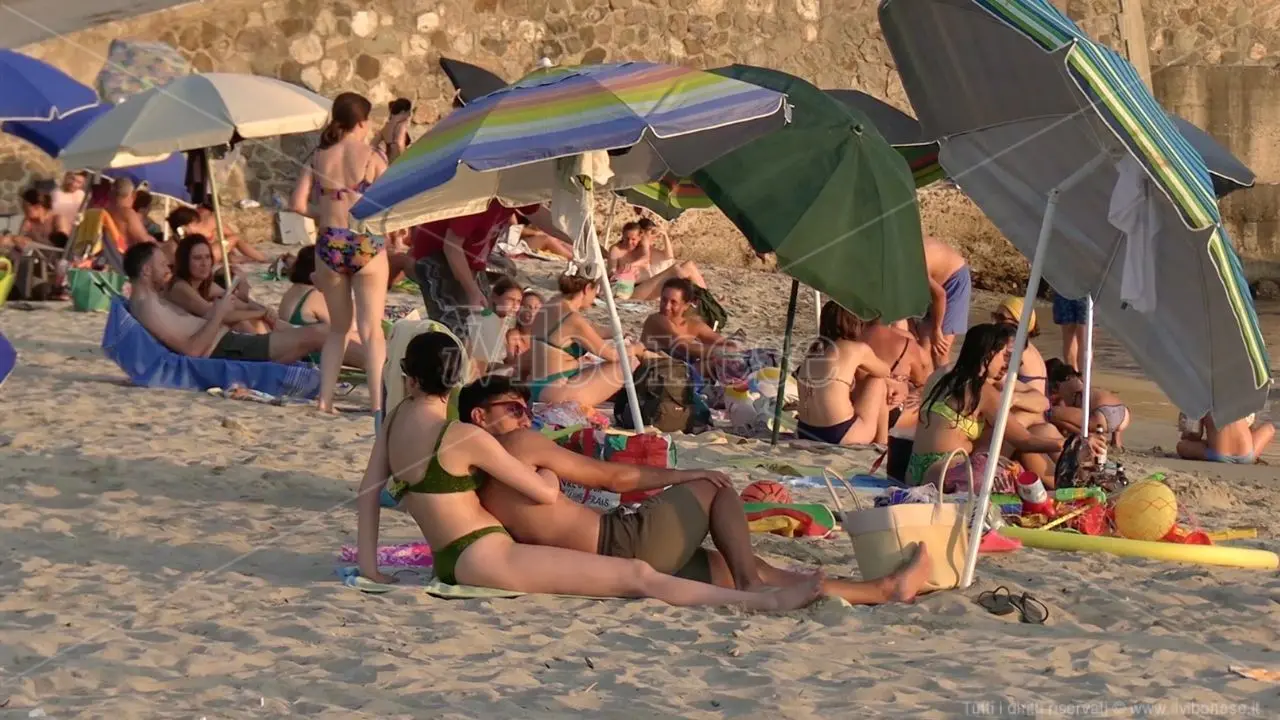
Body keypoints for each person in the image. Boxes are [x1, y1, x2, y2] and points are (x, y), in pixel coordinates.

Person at [356, 332, 822, 610]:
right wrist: (552, 475)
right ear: (455, 379)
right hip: (484, 555)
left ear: (407, 374)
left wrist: (371, 567)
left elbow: (366, 494)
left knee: (639, 573)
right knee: (637, 575)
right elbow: (539, 492)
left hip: (450, 558)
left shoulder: (395, 422)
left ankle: (763, 593)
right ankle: (761, 601)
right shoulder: (463, 437)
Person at [458, 375, 932, 603]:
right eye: (514, 408)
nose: (526, 416)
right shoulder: (519, 446)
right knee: (715, 487)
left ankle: (880, 590)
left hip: (602, 560)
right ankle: (752, 589)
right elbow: (614, 479)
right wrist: (683, 477)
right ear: (480, 416)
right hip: (620, 541)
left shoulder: (473, 477)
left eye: (526, 409)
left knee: (737, 562)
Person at [290, 91, 390, 415]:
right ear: (361, 122)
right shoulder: (373, 156)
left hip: (329, 243)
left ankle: (325, 401)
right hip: (364, 242)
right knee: (372, 329)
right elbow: (389, 200)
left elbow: (297, 204)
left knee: (337, 328)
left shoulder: (319, 156)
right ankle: (377, 405)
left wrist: (322, 214)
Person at [907, 323, 1064, 487]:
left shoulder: (941, 376)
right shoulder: (982, 390)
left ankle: (1057, 480)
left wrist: (1015, 399)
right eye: (1005, 356)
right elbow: (1024, 440)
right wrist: (1063, 444)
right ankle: (1058, 483)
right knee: (1012, 461)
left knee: (1030, 428)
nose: (1008, 364)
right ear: (989, 353)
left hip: (916, 471)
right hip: (948, 475)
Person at [122, 242, 324, 363]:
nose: (168, 267)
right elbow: (192, 351)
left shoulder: (151, 300)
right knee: (318, 334)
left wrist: (246, 307)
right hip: (229, 349)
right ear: (147, 270)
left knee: (317, 335)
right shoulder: (147, 305)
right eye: (162, 264)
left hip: (231, 344)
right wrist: (220, 313)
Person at [409, 201, 543, 336]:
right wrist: (472, 290)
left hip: (472, 259)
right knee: (454, 327)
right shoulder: (481, 200)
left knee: (482, 323)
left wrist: (564, 230)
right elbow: (451, 246)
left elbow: (544, 217)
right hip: (438, 256)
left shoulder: (518, 196)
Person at [525, 272, 646, 404]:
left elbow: (590, 330)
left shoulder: (552, 304)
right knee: (629, 362)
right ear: (587, 288)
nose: (596, 295)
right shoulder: (572, 319)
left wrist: (619, 332)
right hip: (557, 392)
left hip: (540, 386)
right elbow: (613, 355)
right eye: (596, 289)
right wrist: (636, 348)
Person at [794, 301, 891, 445]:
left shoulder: (814, 350)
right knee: (877, 380)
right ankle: (883, 443)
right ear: (854, 323)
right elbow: (885, 370)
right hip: (839, 434)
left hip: (805, 432)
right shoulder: (857, 349)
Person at [277, 245, 368, 368]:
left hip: (296, 348)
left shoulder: (294, 290)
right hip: (315, 354)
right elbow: (346, 329)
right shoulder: (315, 296)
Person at [166, 234, 275, 333]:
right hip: (183, 342)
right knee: (240, 323)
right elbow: (217, 316)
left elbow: (241, 304)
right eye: (197, 258)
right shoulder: (180, 287)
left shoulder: (205, 285)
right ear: (185, 262)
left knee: (257, 322)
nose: (204, 263)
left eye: (207, 257)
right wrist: (260, 313)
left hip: (196, 335)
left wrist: (265, 311)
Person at [640, 278, 738, 369]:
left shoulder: (693, 325)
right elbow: (683, 347)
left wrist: (730, 348)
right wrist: (721, 351)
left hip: (679, 376)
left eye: (673, 302)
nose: (667, 307)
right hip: (653, 377)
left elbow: (723, 342)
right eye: (664, 300)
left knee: (721, 362)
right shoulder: (656, 320)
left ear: (686, 305)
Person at [990, 297, 1054, 433]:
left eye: (1001, 318)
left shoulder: (1016, 349)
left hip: (1026, 414)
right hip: (1038, 413)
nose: (994, 322)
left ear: (1019, 324)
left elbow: (995, 379)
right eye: (995, 316)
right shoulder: (1030, 348)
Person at [857, 317, 931, 430]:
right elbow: (920, 379)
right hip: (893, 409)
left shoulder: (854, 338)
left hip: (858, 406)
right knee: (926, 400)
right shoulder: (906, 342)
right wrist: (901, 381)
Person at [607, 221, 707, 301]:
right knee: (675, 269)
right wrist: (622, 273)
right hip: (633, 290)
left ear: (639, 237)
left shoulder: (642, 248)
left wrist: (664, 235)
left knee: (689, 265)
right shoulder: (616, 249)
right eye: (626, 239)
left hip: (649, 284)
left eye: (633, 239)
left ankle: (707, 298)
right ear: (622, 236)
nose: (630, 242)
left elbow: (647, 258)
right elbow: (611, 271)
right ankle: (697, 298)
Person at [1045, 360, 1131, 448]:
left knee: (1051, 413)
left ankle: (1087, 437)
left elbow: (1070, 414)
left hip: (1103, 415)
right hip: (1124, 415)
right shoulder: (1080, 380)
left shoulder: (1064, 385)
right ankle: (1116, 441)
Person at [918, 237, 972, 366]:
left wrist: (937, 329)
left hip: (954, 280)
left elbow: (940, 295)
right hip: (933, 280)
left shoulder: (915, 264)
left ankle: (944, 384)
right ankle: (924, 384)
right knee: (922, 348)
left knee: (939, 350)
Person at [1176, 413, 1274, 465]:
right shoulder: (1244, 399)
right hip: (1247, 455)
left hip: (1219, 455)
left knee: (1181, 446)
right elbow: (1250, 426)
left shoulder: (1204, 401)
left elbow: (1195, 434)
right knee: (1269, 428)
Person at [105, 178, 156, 249]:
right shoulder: (128, 213)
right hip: (120, 256)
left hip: (104, 253)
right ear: (133, 195)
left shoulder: (105, 209)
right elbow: (145, 239)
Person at [1052, 289, 1088, 371]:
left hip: (1084, 287)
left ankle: (1080, 377)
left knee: (1083, 336)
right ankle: (1073, 377)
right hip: (1064, 286)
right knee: (1077, 336)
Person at [376, 97, 413, 162]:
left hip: (389, 161)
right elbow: (400, 143)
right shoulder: (401, 125)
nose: (409, 115)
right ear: (403, 112)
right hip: (399, 161)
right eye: (408, 112)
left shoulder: (386, 126)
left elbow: (373, 143)